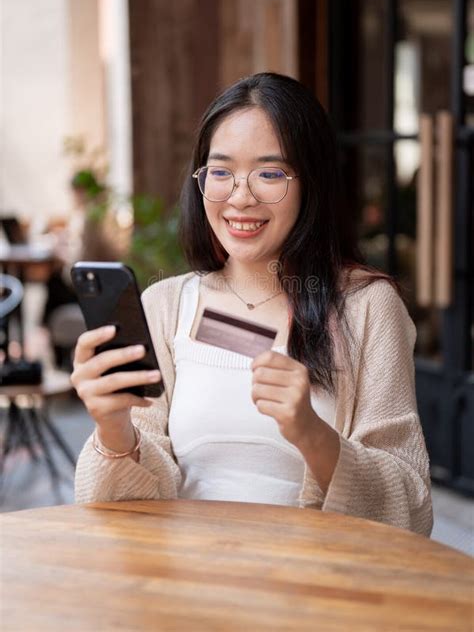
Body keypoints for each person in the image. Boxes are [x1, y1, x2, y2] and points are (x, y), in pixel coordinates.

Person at [72, 73, 433, 536]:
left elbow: (412, 506)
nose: (240, 197)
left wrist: (311, 432)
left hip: (318, 592)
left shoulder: (367, 307)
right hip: (186, 585)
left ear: (311, 183)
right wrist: (114, 428)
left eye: (269, 173)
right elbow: (121, 514)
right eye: (220, 172)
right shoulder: (165, 305)